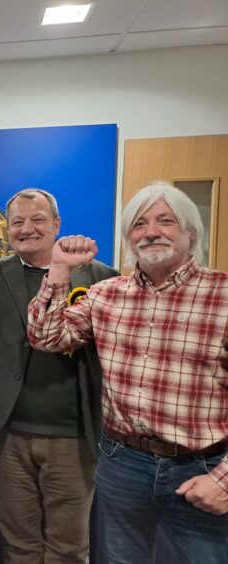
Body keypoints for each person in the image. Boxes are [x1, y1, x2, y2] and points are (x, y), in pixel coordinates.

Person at [27, 181, 228, 563]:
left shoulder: (223, 294)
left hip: (203, 467)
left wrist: (225, 481)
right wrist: (58, 269)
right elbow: (45, 337)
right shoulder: (105, 294)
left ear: (190, 232)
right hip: (123, 463)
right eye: (139, 224)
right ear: (128, 238)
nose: (150, 231)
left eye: (165, 221)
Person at [0, 188, 117, 563]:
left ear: (57, 225)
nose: (27, 228)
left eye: (38, 219)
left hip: (73, 436)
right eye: (17, 222)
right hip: (8, 432)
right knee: (18, 540)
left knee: (69, 546)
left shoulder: (100, 276)